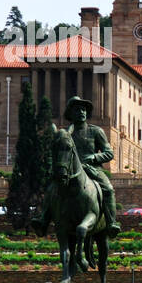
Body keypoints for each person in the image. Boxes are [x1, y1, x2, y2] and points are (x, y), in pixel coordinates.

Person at [33, 96, 121, 236]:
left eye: (84, 109)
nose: (82, 112)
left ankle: (111, 222)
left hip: (92, 169)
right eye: (78, 109)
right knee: (51, 188)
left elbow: (109, 153)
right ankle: (43, 218)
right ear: (71, 113)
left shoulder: (96, 131)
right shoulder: (65, 134)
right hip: (69, 171)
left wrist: (95, 157)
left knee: (108, 189)